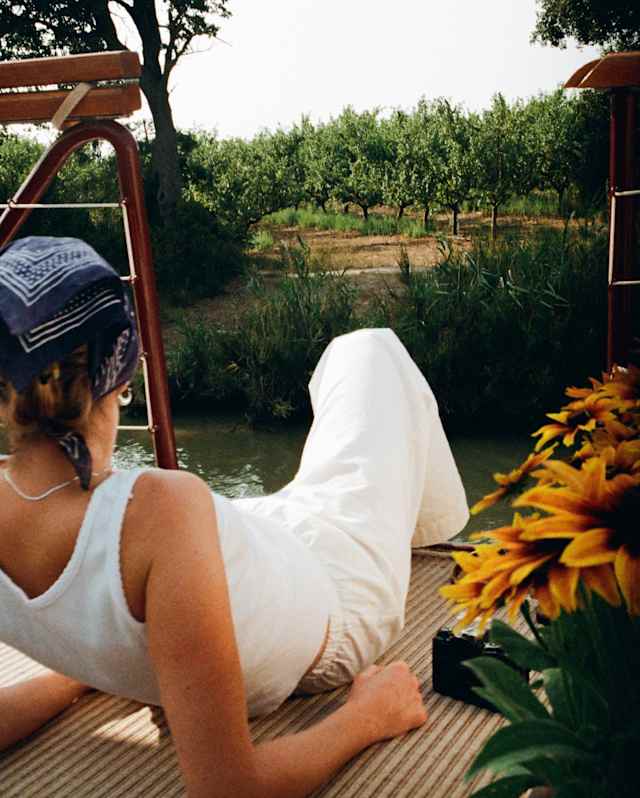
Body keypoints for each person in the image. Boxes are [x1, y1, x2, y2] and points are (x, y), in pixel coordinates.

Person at [0, 236, 469, 797]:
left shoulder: (152, 515)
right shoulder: (159, 513)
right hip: (336, 592)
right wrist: (368, 716)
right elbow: (230, 790)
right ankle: (434, 540)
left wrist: (81, 666)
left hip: (255, 545)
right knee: (367, 351)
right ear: (117, 383)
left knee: (307, 470)